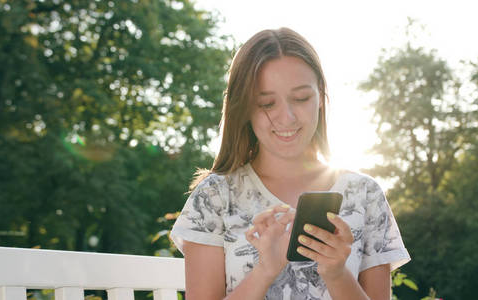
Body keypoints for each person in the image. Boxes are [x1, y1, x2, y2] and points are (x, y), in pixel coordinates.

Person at [170, 27, 410, 300]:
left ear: (320, 96)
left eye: (301, 98)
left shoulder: (365, 195)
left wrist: (336, 273)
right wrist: (265, 270)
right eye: (267, 103)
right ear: (244, 107)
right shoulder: (214, 197)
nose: (287, 117)